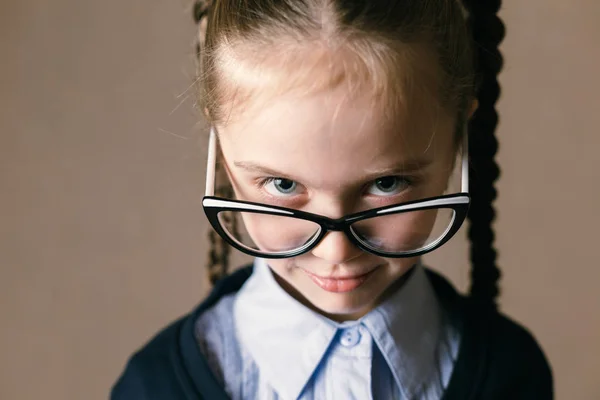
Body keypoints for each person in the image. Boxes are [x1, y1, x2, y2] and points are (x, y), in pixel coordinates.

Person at [111, 0, 553, 398]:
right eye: (283, 185)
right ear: (222, 154)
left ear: (459, 141)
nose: (336, 251)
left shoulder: (512, 375)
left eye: (386, 184)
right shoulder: (154, 388)